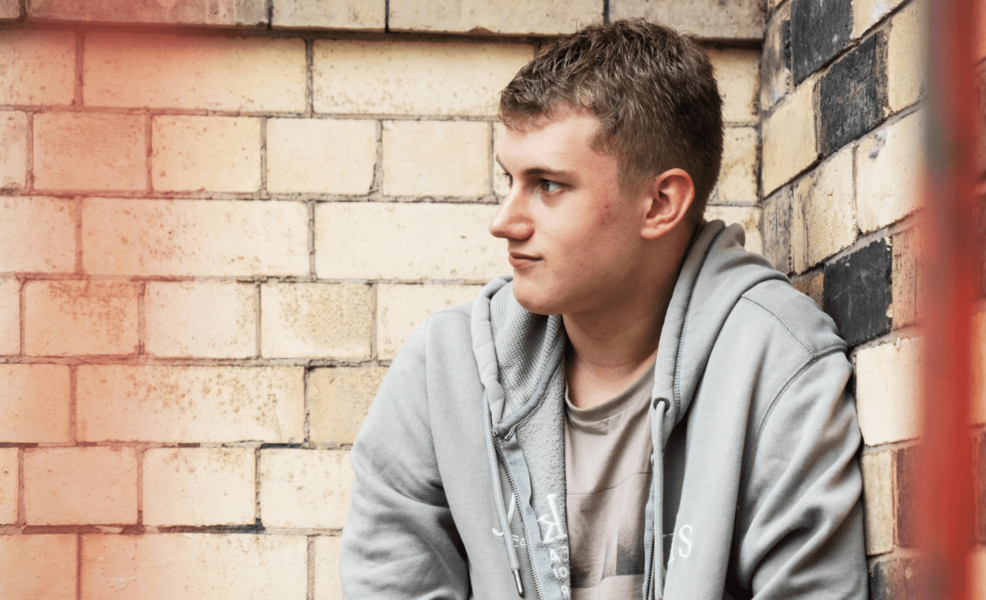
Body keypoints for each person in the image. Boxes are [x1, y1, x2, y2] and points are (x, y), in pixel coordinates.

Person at [339, 19, 867, 600]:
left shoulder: (777, 366)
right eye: (509, 180)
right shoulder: (445, 372)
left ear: (660, 203)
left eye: (548, 185)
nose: (504, 222)